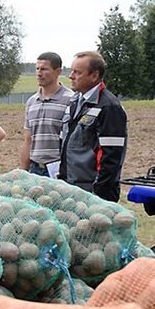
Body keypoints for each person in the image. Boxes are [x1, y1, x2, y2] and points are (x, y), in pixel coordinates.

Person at [59, 51, 128, 202]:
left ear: (94, 76)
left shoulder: (109, 107)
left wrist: (98, 195)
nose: (71, 76)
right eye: (71, 71)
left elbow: (111, 157)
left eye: (77, 72)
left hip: (92, 194)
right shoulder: (74, 101)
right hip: (71, 188)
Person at [19, 52, 74, 177]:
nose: (39, 73)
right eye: (37, 69)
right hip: (35, 169)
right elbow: (28, 139)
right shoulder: (31, 102)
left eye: (44, 69)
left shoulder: (71, 100)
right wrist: (23, 172)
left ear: (58, 72)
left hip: (60, 170)